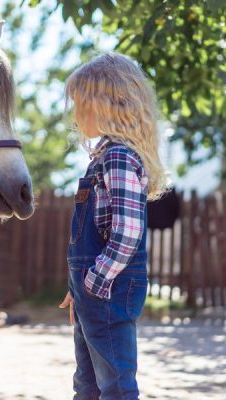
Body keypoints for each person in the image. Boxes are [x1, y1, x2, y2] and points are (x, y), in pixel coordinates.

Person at [59, 53, 167, 400]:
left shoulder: (119, 157)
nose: (75, 112)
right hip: (92, 289)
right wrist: (78, 288)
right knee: (87, 384)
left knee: (116, 386)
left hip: (107, 287)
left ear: (104, 104)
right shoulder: (102, 159)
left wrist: (94, 281)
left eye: (80, 102)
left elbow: (127, 232)